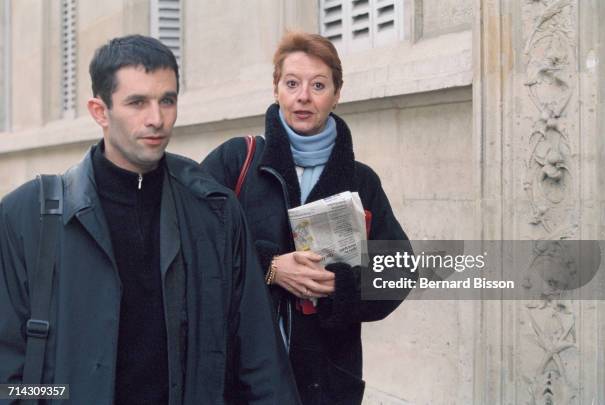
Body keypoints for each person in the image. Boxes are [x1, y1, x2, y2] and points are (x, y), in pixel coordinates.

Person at [0, 35, 299, 405]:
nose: (156, 119)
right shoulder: (26, 216)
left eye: (167, 101)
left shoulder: (215, 209)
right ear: (99, 111)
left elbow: (259, 359)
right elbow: (7, 376)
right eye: (137, 102)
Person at [201, 31, 412, 405]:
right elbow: (192, 244)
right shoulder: (238, 160)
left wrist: (338, 286)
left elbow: (399, 271)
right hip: (242, 376)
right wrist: (270, 268)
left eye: (318, 85)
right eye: (292, 83)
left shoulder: (361, 180)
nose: (303, 97)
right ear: (276, 89)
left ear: (336, 93)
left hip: (325, 381)